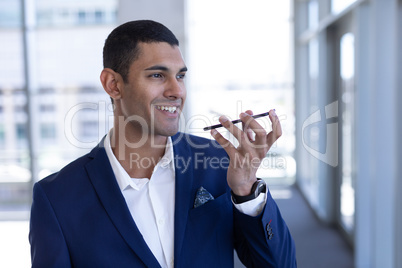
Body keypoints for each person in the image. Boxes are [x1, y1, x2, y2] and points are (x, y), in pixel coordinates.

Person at [29, 20, 296, 267]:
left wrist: (246, 191)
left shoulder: (219, 163)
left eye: (180, 76)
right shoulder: (57, 199)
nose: (177, 91)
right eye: (157, 75)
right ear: (113, 85)